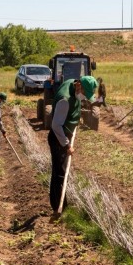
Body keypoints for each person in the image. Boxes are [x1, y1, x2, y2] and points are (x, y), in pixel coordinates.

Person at [48, 78, 85, 217]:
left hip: (62, 136)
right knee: (61, 173)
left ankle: (56, 203)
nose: (84, 97)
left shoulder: (72, 83)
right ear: (79, 87)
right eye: (84, 93)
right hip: (59, 139)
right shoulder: (65, 100)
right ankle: (60, 207)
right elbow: (56, 126)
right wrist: (67, 144)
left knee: (58, 171)